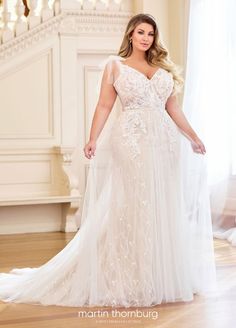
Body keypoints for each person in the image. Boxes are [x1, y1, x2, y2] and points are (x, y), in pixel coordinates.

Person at [0, 13, 216, 308]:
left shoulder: (162, 68)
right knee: (133, 201)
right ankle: (130, 274)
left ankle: (159, 273)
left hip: (164, 144)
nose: (146, 38)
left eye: (150, 34)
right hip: (130, 141)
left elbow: (173, 108)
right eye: (141, 32)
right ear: (131, 35)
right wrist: (92, 139)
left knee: (160, 203)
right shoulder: (116, 66)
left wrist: (193, 137)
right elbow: (104, 105)